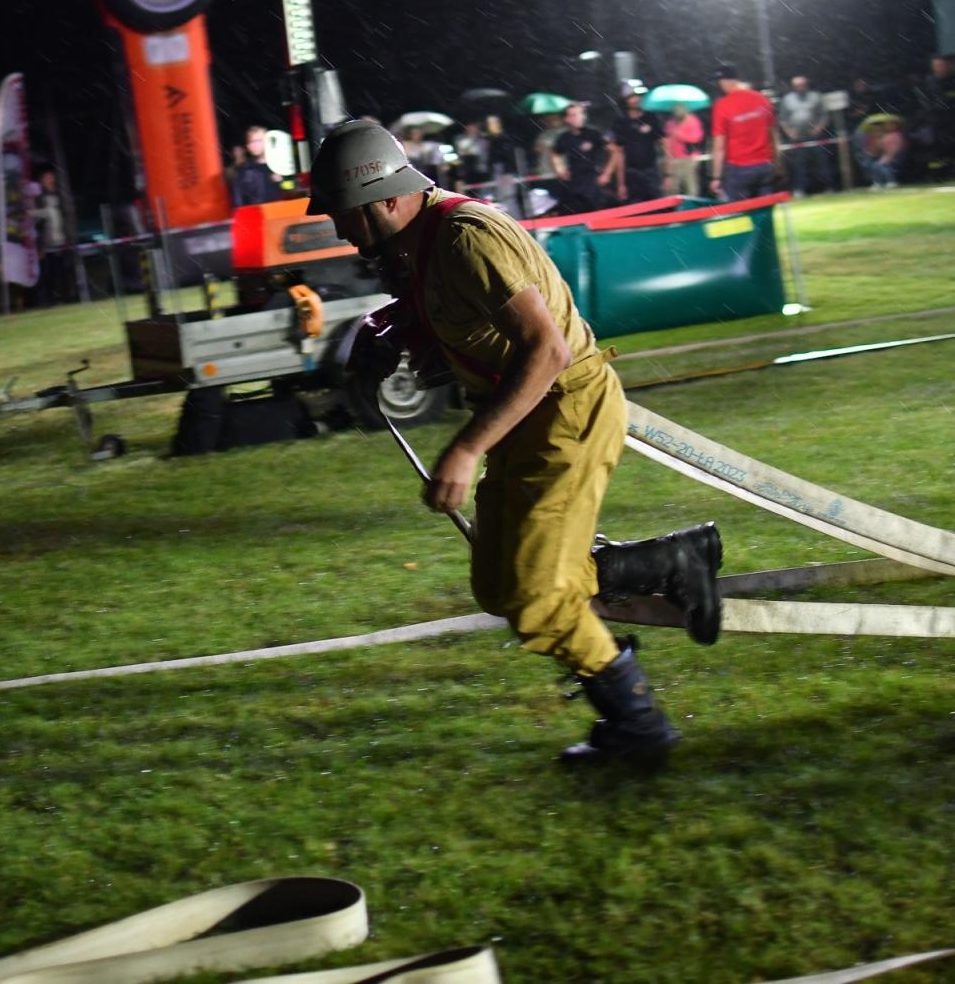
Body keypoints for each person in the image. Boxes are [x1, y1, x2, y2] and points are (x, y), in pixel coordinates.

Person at [306, 120, 723, 763]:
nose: (339, 230)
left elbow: (546, 351)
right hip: (524, 417)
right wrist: (383, 332)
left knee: (536, 597)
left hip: (565, 412)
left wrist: (467, 449)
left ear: (387, 198)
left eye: (345, 214)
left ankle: (639, 729)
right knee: (500, 584)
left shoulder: (467, 238)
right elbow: (443, 308)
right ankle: (669, 563)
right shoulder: (422, 243)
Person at [708, 62, 777, 200]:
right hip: (765, 165)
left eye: (719, 82)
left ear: (724, 81)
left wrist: (716, 176)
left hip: (739, 168)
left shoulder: (722, 105)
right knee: (764, 213)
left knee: (736, 213)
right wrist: (777, 163)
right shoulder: (761, 99)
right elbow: (773, 135)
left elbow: (719, 146)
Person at [550, 102, 617, 214]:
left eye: (581, 114)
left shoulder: (593, 133)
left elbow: (614, 151)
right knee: (574, 213)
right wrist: (559, 169)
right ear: (567, 119)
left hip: (592, 181)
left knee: (597, 213)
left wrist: (607, 174)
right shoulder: (564, 137)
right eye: (575, 115)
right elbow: (555, 153)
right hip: (573, 182)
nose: (580, 118)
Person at [778, 75, 832, 197]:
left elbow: (824, 115)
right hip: (797, 138)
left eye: (802, 85)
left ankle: (828, 187)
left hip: (816, 136)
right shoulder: (787, 99)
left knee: (822, 163)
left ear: (807, 84)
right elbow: (783, 120)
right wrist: (790, 133)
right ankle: (800, 190)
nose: (800, 87)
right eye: (797, 85)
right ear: (793, 87)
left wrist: (818, 128)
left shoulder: (816, 96)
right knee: (799, 165)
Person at [609, 92, 665, 203]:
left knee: (659, 207)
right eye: (632, 97)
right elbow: (619, 153)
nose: (636, 99)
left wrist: (668, 175)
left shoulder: (651, 117)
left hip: (652, 172)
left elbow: (664, 145)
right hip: (631, 175)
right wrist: (621, 184)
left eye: (639, 96)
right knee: (636, 209)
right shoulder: (621, 122)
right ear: (626, 99)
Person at [29, 169, 73, 306]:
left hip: (61, 240)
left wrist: (68, 236)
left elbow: (67, 216)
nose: (50, 180)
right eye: (47, 177)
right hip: (46, 243)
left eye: (51, 177)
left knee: (65, 270)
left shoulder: (61, 194)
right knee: (49, 272)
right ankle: (51, 299)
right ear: (41, 180)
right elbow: (36, 221)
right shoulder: (39, 198)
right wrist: (40, 245)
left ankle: (67, 297)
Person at [230, 125, 285, 207]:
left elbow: (294, 192)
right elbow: (238, 202)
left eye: (258, 141)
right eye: (251, 142)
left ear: (267, 141)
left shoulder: (282, 166)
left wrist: (283, 181)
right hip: (256, 216)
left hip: (284, 213)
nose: (254, 145)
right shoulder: (244, 171)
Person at [662, 102, 704, 195]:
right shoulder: (670, 123)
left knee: (691, 189)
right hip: (674, 161)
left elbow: (697, 138)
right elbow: (667, 144)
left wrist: (679, 134)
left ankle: (693, 207)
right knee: (673, 190)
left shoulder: (693, 120)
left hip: (689, 159)